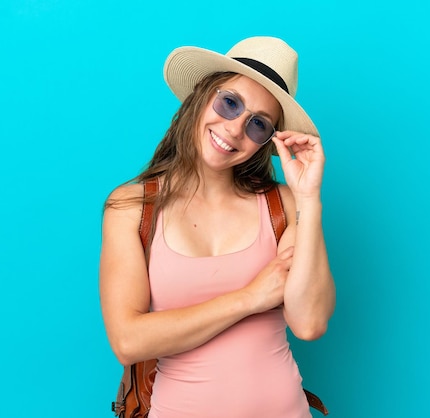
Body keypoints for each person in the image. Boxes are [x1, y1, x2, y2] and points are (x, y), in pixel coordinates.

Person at [99, 36, 336, 418]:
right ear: (201, 96)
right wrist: (251, 297)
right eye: (230, 103)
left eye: (258, 124)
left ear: (266, 142)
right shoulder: (131, 207)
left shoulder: (282, 205)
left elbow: (309, 322)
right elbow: (128, 340)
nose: (235, 128)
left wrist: (308, 198)